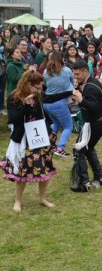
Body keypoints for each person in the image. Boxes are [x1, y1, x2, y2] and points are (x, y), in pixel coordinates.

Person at [0, 71, 57, 212]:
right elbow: (13, 119)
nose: (39, 90)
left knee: (45, 166)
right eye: (37, 87)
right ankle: (18, 201)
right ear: (28, 84)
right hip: (23, 139)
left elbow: (41, 114)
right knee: (22, 171)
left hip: (40, 137)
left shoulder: (38, 96)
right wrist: (25, 105)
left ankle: (42, 198)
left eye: (40, 87)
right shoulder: (14, 97)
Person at [70, 60, 102, 192]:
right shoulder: (93, 82)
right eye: (74, 75)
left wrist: (81, 100)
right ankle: (99, 177)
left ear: (85, 71)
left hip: (95, 123)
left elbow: (94, 107)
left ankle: (83, 183)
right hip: (98, 122)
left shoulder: (91, 86)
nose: (75, 77)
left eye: (77, 74)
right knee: (88, 148)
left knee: (79, 150)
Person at [43, 51, 74, 157]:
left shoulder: (46, 71)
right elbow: (72, 83)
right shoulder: (67, 70)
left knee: (56, 124)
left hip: (47, 103)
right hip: (59, 103)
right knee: (69, 126)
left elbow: (45, 85)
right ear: (61, 59)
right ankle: (60, 148)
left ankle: (47, 143)